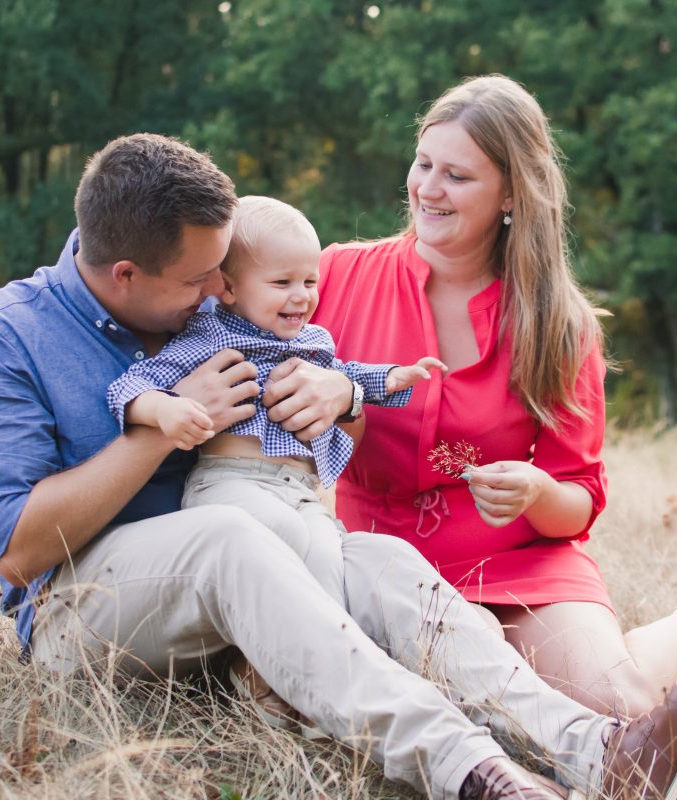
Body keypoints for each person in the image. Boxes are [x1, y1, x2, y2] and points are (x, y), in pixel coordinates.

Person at [0, 131, 677, 800]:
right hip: (91, 613)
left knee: (381, 561)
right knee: (228, 536)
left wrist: (343, 400)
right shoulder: (3, 336)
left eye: (223, 272)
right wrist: (159, 434)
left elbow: (321, 435)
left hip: (253, 584)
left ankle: (603, 752)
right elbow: (18, 546)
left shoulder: (202, 306)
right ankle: (475, 772)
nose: (219, 293)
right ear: (126, 275)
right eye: (199, 282)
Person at [311, 74, 677, 724]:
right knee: (473, 722)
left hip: (519, 563)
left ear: (511, 192)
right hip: (383, 569)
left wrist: (538, 491)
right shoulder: (338, 275)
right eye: (423, 163)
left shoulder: (559, 325)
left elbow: (578, 502)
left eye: (457, 176)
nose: (428, 188)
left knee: (613, 709)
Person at [106, 194, 444, 733]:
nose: (301, 296)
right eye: (282, 282)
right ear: (231, 287)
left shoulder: (314, 341)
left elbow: (347, 377)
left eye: (309, 281)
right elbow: (131, 386)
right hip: (232, 484)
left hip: (299, 490)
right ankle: (295, 683)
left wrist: (390, 379)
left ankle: (293, 680)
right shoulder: (209, 335)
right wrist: (167, 410)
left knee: (328, 565)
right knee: (287, 551)